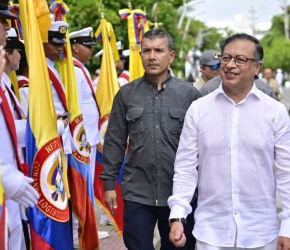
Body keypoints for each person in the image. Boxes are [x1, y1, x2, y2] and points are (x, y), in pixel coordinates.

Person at [168, 33, 290, 250]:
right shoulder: (199, 110)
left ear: (257, 67)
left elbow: (287, 171)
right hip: (211, 233)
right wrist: (178, 214)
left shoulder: (275, 112)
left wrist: (288, 225)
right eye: (226, 58)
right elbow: (186, 167)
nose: (230, 65)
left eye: (240, 59)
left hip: (261, 233)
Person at [101, 29, 201, 249]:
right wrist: (109, 183)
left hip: (179, 196)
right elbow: (115, 140)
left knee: (178, 246)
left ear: (171, 56)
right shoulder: (126, 94)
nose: (152, 56)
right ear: (140, 55)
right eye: (147, 50)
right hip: (138, 192)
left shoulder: (190, 95)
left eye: (159, 50)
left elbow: (203, 147)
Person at [0, 1, 39, 249]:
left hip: (6, 193)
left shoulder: (1, 77)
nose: (8, 28)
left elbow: (5, 132)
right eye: (2, 21)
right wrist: (5, 175)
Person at [69, 26, 109, 241]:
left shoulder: (80, 68)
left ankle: (87, 226)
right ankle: (79, 230)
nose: (90, 50)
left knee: (88, 184)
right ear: (75, 47)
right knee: (81, 185)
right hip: (80, 140)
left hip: (88, 138)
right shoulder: (73, 71)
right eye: (87, 46)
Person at [43, 21, 72, 157]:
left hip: (61, 133)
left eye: (61, 44)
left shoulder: (53, 68)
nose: (60, 48)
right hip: (51, 134)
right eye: (55, 44)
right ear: (43, 42)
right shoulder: (40, 69)